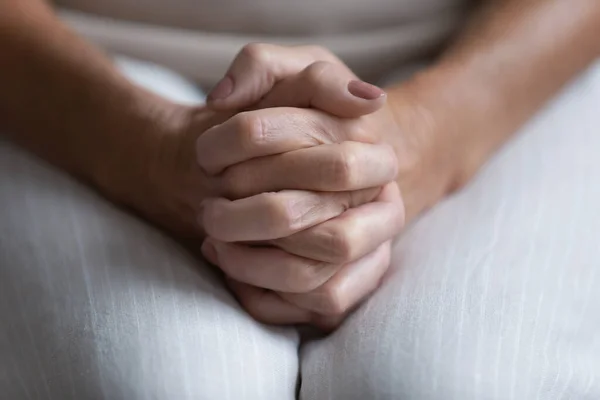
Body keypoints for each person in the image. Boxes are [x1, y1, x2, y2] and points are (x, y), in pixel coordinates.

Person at [1, 0, 599, 398]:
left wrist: (424, 136)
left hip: (494, 57)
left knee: (447, 383)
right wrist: (146, 152)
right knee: (170, 384)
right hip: (80, 69)